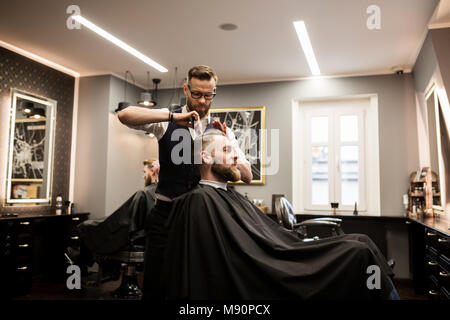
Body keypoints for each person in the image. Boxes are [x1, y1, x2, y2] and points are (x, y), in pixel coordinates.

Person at [162, 129, 399, 300]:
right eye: (227, 150)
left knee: (362, 240)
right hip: (266, 269)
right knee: (360, 252)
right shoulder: (200, 199)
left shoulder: (226, 194)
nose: (236, 156)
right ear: (205, 157)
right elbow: (225, 260)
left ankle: (381, 290)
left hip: (282, 251)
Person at [117, 65, 253, 299]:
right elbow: (124, 115)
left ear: (214, 92)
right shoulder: (166, 121)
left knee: (197, 287)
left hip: (204, 219)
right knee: (158, 286)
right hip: (166, 218)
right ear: (186, 89)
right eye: (196, 94)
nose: (202, 100)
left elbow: (248, 175)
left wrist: (226, 146)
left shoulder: (222, 132)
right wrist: (172, 116)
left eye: (208, 95)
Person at [76, 159, 159, 270]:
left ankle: (81, 262)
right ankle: (84, 261)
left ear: (153, 171)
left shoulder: (143, 194)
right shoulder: (161, 195)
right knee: (96, 224)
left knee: (85, 226)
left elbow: (125, 223)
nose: (143, 176)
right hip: (147, 240)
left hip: (134, 239)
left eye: (144, 172)